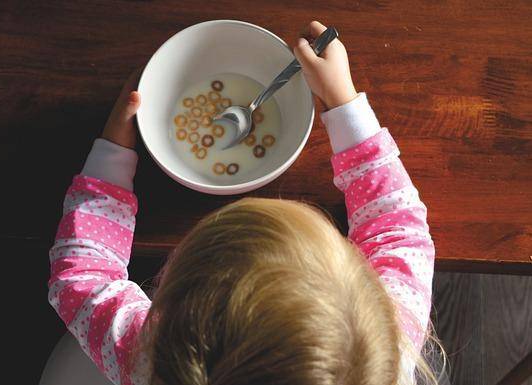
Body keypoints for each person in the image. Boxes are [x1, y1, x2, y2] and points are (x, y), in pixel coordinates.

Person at [48, 21, 445, 385]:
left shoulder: (146, 358)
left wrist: (113, 149)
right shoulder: (389, 346)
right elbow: (397, 229)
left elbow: (82, 277)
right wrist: (342, 100)